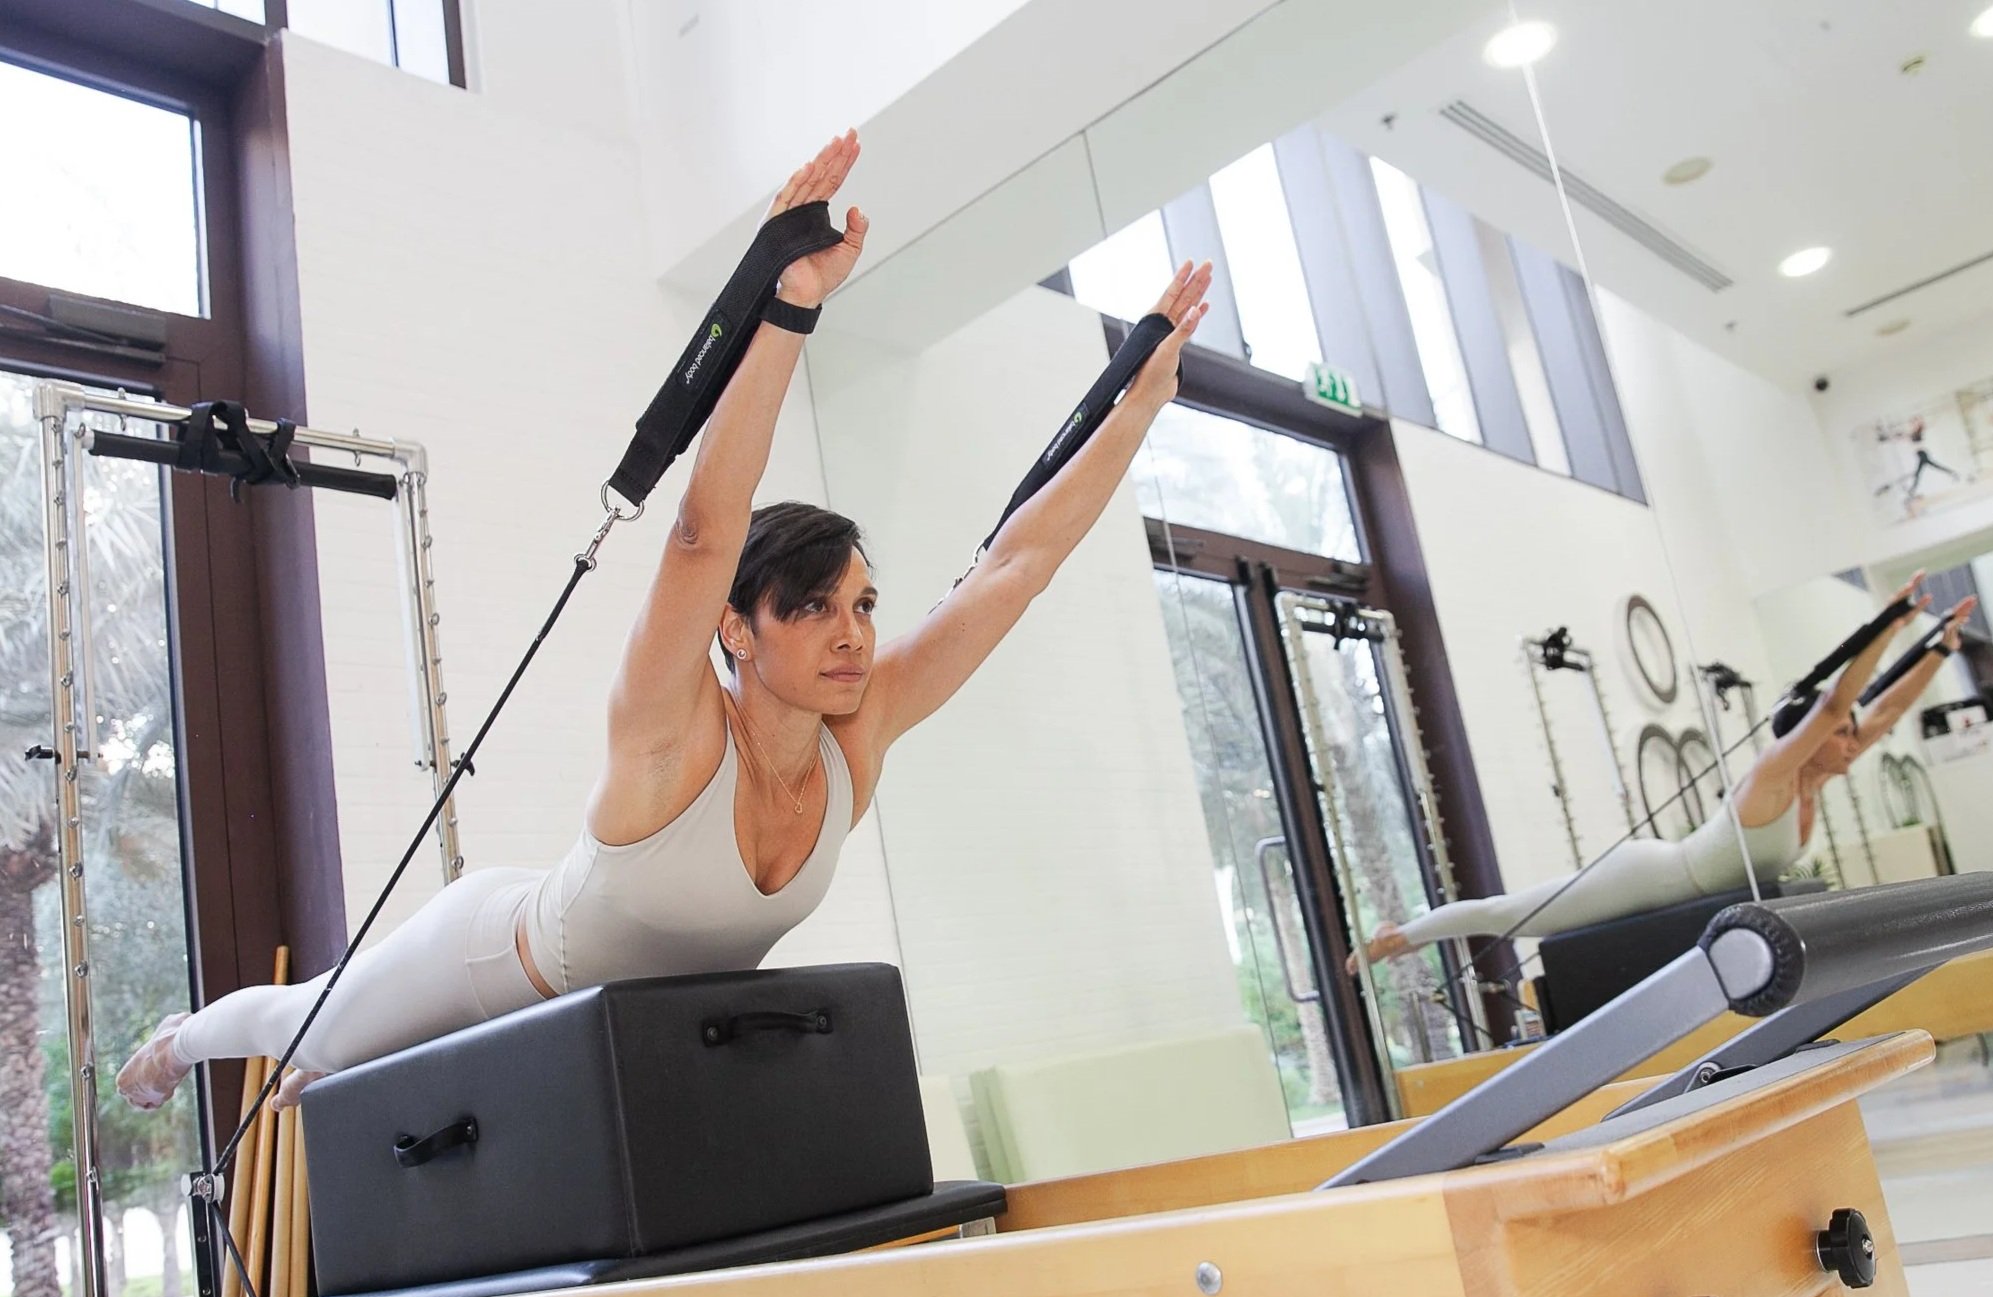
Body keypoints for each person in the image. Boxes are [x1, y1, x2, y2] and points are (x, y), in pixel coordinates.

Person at [119, 131, 1213, 1110]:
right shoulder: (670, 729)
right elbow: (702, 530)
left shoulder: (855, 734)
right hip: (490, 956)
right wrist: (786, 306)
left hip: (619, 1031)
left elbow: (1013, 567)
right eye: (811, 607)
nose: (852, 635)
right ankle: (177, 1040)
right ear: (736, 629)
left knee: (338, 1052)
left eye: (863, 606)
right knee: (306, 1022)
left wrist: (1140, 406)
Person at [1355, 578, 1977, 963]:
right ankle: (1399, 937)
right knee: (1512, 914)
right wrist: (1886, 625)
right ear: (1806, 741)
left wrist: (1940, 646)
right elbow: (1835, 704)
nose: (1854, 742)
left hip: (1683, 880)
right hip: (1648, 877)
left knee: (1511, 913)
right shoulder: (1771, 779)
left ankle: (1401, 934)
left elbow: (1885, 708)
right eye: (1841, 735)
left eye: (1852, 737)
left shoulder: (1813, 778)